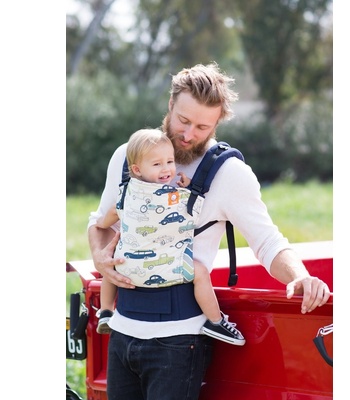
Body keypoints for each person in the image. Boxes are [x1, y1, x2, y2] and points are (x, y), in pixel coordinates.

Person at [87, 62, 331, 400]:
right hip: (122, 330)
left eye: (202, 127)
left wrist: (300, 276)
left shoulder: (230, 174)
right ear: (170, 104)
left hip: (177, 341)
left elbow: (268, 241)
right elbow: (100, 221)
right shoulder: (127, 157)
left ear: (217, 123)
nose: (188, 135)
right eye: (183, 121)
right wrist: (99, 257)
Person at [94, 128, 245, 346]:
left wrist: (101, 224)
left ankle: (106, 310)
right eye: (157, 164)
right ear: (136, 169)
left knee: (111, 265)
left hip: (129, 268)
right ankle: (215, 321)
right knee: (200, 273)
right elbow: (192, 209)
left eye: (170, 161)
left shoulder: (126, 193)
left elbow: (106, 218)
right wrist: (186, 187)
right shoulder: (176, 197)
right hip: (167, 268)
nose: (166, 169)